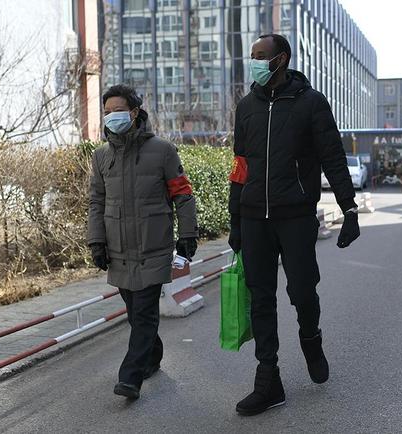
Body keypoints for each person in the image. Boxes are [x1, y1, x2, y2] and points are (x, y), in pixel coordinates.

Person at [228, 34, 361, 416]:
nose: (253, 61)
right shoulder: (247, 107)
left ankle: (310, 337)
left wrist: (349, 209)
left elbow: (333, 157)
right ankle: (268, 378)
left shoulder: (311, 103)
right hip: (255, 217)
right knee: (261, 296)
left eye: (260, 56)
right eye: (251, 56)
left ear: (281, 59)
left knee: (302, 290)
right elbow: (240, 167)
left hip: (296, 215)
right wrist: (235, 218)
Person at [88, 84, 198, 400]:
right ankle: (152, 356)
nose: (112, 117)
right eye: (107, 112)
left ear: (134, 112)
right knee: (137, 314)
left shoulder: (162, 151)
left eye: (118, 110)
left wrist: (188, 234)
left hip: (154, 247)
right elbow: (96, 201)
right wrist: (96, 241)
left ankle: (130, 378)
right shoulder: (101, 157)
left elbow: (182, 194)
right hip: (118, 249)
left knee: (146, 313)